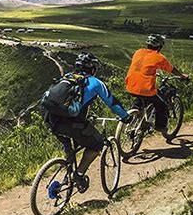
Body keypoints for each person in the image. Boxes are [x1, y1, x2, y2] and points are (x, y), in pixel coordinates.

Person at [42, 52, 130, 193]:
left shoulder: (67, 77)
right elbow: (112, 103)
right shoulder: (96, 83)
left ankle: (68, 166)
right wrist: (126, 117)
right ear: (93, 69)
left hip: (50, 119)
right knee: (96, 145)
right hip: (70, 123)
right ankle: (78, 174)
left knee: (71, 144)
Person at [125, 34, 188, 133]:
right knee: (162, 104)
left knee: (141, 99)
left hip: (130, 86)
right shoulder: (159, 57)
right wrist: (182, 75)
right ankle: (160, 126)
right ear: (159, 46)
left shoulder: (138, 52)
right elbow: (171, 69)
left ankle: (135, 118)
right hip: (146, 90)